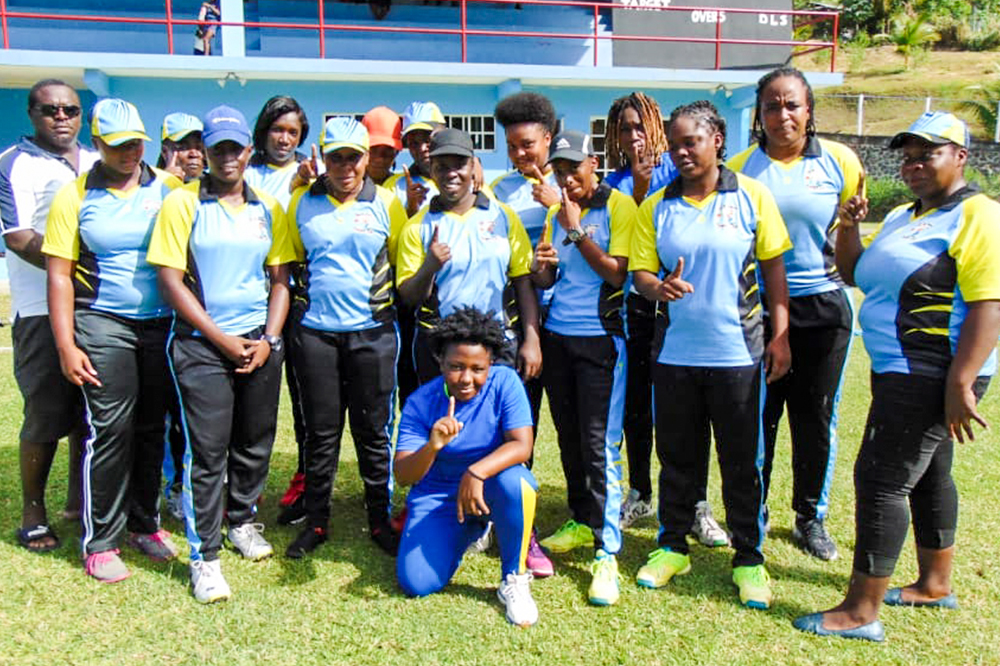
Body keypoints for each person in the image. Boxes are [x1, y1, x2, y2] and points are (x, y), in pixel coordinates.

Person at [794, 111, 1000, 642]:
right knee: (930, 474)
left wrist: (961, 382)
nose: (913, 163)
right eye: (907, 155)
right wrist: (846, 227)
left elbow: (987, 304)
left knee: (881, 479)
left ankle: (861, 611)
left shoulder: (977, 214)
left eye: (927, 152)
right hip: (899, 369)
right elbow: (854, 273)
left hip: (930, 371)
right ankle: (934, 584)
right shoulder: (904, 217)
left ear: (960, 156)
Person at [629, 100, 791, 610]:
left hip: (737, 355)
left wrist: (780, 336)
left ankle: (749, 557)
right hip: (675, 355)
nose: (680, 153)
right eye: (673, 145)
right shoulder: (656, 205)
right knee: (677, 456)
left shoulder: (752, 196)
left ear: (716, 139)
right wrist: (660, 288)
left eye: (689, 142)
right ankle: (673, 545)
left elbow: (774, 274)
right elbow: (639, 276)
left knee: (742, 461)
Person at [147, 105, 295, 604]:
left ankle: (243, 520)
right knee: (207, 452)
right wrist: (221, 339)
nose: (227, 157)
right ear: (204, 152)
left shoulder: (267, 208)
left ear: (248, 152)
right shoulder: (182, 204)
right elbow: (170, 280)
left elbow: (280, 280)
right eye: (218, 149)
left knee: (254, 441)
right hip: (201, 345)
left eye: (235, 148)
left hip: (258, 340)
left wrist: (269, 339)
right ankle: (204, 557)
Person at [728, 67, 865, 561]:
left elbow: (849, 230)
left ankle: (811, 517)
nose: (781, 114)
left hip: (825, 307)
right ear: (759, 115)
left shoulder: (840, 161)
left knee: (816, 417)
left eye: (791, 104)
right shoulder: (741, 169)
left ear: (808, 110)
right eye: (771, 105)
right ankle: (753, 512)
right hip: (757, 310)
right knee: (757, 416)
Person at [43, 98, 182, 582]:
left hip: (161, 324)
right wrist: (66, 344)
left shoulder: (169, 188)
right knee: (110, 428)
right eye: (117, 145)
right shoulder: (74, 196)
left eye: (136, 143)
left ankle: (145, 525)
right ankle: (101, 540)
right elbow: (59, 275)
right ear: (97, 144)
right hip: (103, 323)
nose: (129, 153)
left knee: (152, 427)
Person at [602, 93, 729, 546]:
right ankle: (640, 490)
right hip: (635, 309)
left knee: (685, 415)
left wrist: (646, 186)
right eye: (624, 128)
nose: (633, 135)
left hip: (684, 312)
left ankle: (695, 503)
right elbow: (628, 248)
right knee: (638, 407)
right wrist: (633, 188)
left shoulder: (681, 172)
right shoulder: (612, 182)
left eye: (640, 126)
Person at [282, 117, 408, 558]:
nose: (345, 167)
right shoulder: (301, 201)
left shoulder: (388, 203)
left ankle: (379, 519)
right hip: (316, 335)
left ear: (365, 158)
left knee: (374, 431)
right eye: (335, 157)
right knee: (321, 433)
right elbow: (290, 263)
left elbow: (399, 264)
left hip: (372, 333)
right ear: (323, 158)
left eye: (353, 157)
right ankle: (316, 523)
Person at [530, 130, 636, 606]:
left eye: (575, 167)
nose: (567, 178)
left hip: (601, 343)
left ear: (593, 163)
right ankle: (580, 516)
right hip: (559, 338)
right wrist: (542, 265)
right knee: (569, 437)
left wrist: (575, 231)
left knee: (599, 446)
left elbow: (618, 272)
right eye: (559, 170)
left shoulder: (619, 207)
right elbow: (552, 277)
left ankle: (606, 550)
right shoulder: (555, 213)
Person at [395, 307, 540, 629]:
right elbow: (404, 475)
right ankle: (472, 527)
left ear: (491, 364)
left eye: (478, 369)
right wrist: (432, 445)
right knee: (416, 582)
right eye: (456, 367)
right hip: (440, 495)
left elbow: (522, 445)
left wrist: (476, 472)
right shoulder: (421, 401)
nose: (466, 379)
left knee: (518, 482)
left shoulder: (505, 382)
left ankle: (513, 578)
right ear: (440, 363)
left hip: (489, 485)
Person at [0, 79, 98, 552]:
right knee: (45, 410)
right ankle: (33, 510)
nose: (62, 118)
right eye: (50, 110)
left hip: (96, 308)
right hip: (41, 308)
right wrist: (78, 260)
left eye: (70, 110)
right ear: (32, 114)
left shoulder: (100, 159)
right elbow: (17, 236)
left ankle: (81, 504)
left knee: (91, 411)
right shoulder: (15, 164)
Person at [395, 127, 541, 388]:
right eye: (441, 166)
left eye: (460, 164)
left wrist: (532, 339)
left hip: (498, 343)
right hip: (441, 348)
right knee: (445, 424)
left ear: (474, 165)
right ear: (432, 170)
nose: (451, 173)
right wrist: (429, 267)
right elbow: (408, 297)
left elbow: (523, 282)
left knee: (498, 426)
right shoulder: (418, 226)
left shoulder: (503, 216)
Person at [490, 90, 559, 578]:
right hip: (525, 327)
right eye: (512, 145)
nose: (520, 155)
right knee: (520, 432)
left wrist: (559, 202)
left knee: (581, 436)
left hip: (579, 329)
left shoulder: (573, 180)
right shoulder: (499, 191)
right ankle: (520, 529)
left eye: (528, 144)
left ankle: (587, 521)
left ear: (548, 139)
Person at [243, 95, 311, 525]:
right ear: (263, 130)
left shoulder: (310, 172)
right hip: (253, 299)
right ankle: (243, 488)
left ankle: (304, 479)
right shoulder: (244, 170)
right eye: (277, 130)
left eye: (293, 131)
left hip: (299, 297)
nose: (284, 139)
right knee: (253, 405)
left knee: (305, 400)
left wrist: (303, 185)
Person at [384, 101, 445, 217]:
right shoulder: (394, 187)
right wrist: (411, 210)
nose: (422, 148)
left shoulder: (468, 182)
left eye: (428, 139)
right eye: (413, 143)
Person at [157, 112, 205, 183]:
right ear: (164, 151)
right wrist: (165, 184)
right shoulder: (145, 187)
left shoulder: (217, 188)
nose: (194, 154)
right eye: (183, 147)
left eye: (199, 147)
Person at [361, 106, 402, 186]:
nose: (379, 159)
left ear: (396, 153)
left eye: (387, 151)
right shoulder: (337, 190)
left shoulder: (404, 190)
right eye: (373, 150)